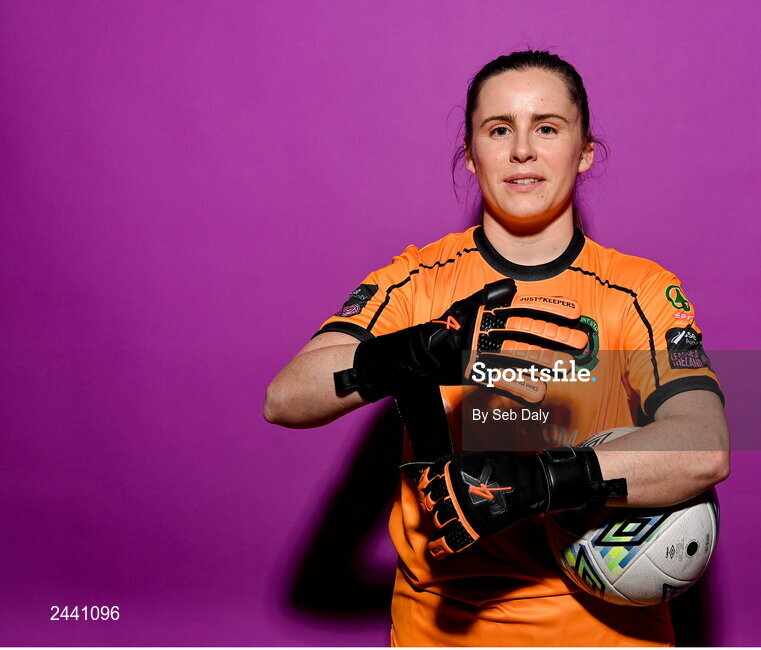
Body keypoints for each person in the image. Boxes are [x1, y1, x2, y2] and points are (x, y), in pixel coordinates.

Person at [264, 50, 730, 647]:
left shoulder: (640, 292)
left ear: (585, 150)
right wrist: (408, 354)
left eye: (547, 127)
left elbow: (705, 446)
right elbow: (285, 397)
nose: (522, 150)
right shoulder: (418, 282)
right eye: (499, 129)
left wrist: (540, 481)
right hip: (442, 632)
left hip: (610, 634)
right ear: (470, 153)